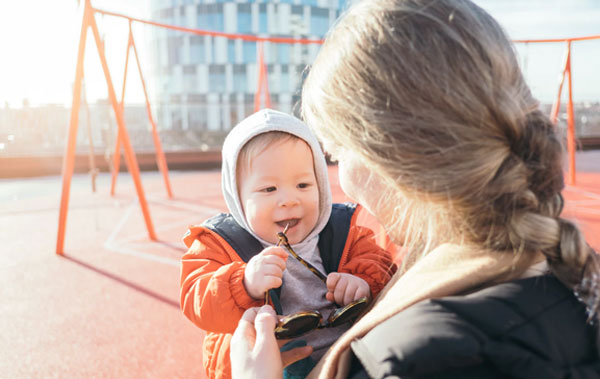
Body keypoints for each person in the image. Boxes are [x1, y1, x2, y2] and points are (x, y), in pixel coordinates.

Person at [229, 0, 600, 378]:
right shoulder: (567, 273)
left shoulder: (412, 358)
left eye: (338, 153)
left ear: (389, 156)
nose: (345, 186)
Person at [180, 109, 395, 379]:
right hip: (267, 367)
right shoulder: (220, 243)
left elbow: (382, 264)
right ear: (237, 196)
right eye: (269, 189)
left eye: (303, 185)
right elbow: (196, 301)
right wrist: (243, 283)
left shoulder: (344, 230)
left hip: (346, 357)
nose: (289, 200)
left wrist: (363, 282)